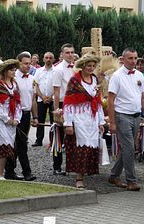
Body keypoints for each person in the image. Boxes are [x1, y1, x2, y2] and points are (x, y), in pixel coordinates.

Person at [107, 48, 144, 191]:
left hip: (136, 116)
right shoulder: (117, 76)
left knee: (127, 148)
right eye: (130, 58)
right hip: (122, 116)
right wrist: (112, 122)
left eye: (135, 58)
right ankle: (131, 180)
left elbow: (143, 97)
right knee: (130, 148)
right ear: (123, 59)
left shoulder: (139, 75)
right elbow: (110, 100)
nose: (134, 61)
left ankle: (114, 175)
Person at [63, 54, 105, 188]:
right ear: (83, 66)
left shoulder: (94, 79)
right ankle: (79, 178)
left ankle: (87, 172)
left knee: (90, 146)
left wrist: (101, 122)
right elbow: (68, 103)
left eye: (93, 66)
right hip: (79, 117)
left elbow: (97, 102)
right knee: (80, 146)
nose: (91, 68)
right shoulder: (74, 81)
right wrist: (68, 123)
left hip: (92, 118)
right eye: (89, 66)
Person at [4, 52, 38, 181]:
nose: (28, 66)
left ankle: (10, 171)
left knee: (21, 143)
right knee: (19, 143)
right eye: (25, 63)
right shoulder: (13, 78)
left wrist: (35, 117)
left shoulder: (31, 79)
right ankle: (25, 172)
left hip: (26, 114)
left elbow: (33, 99)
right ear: (18, 63)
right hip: (15, 114)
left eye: (29, 63)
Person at [0, 59, 21, 180]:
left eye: (15, 69)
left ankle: (0, 174)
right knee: (2, 147)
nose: (14, 72)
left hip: (11, 119)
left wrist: (16, 118)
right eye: (12, 70)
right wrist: (7, 119)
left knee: (7, 147)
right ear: (5, 71)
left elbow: (17, 102)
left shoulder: (14, 84)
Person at [52, 43, 75, 175]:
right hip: (61, 104)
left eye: (72, 52)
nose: (70, 55)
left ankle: (72, 165)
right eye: (67, 52)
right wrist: (56, 110)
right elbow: (56, 91)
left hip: (74, 105)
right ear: (62, 54)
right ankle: (57, 166)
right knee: (59, 136)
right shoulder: (58, 69)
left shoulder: (77, 67)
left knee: (73, 135)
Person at [32, 52, 55, 147]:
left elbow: (58, 86)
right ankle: (39, 140)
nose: (48, 59)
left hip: (53, 99)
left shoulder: (56, 71)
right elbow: (35, 85)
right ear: (43, 59)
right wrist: (42, 97)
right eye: (46, 57)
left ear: (53, 59)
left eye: (50, 58)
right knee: (40, 119)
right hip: (41, 99)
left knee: (53, 121)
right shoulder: (39, 71)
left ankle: (53, 140)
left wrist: (50, 97)